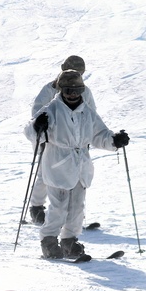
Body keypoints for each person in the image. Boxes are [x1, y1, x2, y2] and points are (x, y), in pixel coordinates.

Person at [24, 70, 127, 260]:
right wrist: (37, 126)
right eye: (69, 90)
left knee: (77, 207)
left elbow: (99, 135)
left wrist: (115, 141)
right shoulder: (51, 109)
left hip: (81, 166)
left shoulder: (87, 111)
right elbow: (30, 130)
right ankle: (49, 241)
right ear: (61, 90)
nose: (73, 94)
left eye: (77, 90)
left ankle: (69, 242)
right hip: (57, 165)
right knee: (59, 207)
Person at [26, 55, 97, 225]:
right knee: (45, 174)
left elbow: (91, 112)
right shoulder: (50, 88)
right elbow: (37, 112)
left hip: (75, 142)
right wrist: (42, 126)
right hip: (51, 139)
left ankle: (74, 214)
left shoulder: (84, 90)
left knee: (76, 176)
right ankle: (36, 207)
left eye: (80, 72)